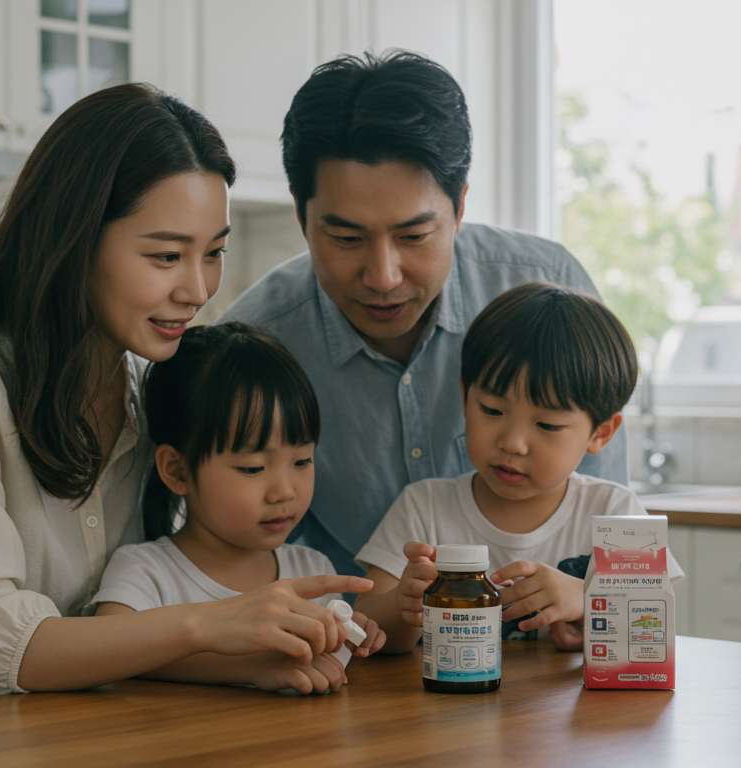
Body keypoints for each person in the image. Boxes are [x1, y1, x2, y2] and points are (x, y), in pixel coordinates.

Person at [0, 84, 369, 715]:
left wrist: (254, 657)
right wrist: (208, 625)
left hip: (84, 734)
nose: (197, 288)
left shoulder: (148, 388)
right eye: (167, 255)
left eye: (214, 253)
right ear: (75, 240)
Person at [220, 51, 627, 578]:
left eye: (413, 236)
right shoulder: (257, 345)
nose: (383, 276)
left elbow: (609, 524)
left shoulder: (550, 288)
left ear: (459, 208)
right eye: (347, 238)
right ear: (301, 213)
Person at [351, 283, 683, 653]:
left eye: (547, 425)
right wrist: (404, 604)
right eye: (492, 410)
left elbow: (655, 625)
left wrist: (587, 599)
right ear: (465, 396)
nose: (513, 443)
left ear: (600, 433)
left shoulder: (615, 512)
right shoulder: (424, 506)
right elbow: (364, 628)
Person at [91, 322, 385, 694]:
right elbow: (108, 649)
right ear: (177, 470)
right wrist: (251, 666)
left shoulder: (312, 573)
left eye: (301, 461)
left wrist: (345, 637)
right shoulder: (146, 572)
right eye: (253, 468)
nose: (284, 493)